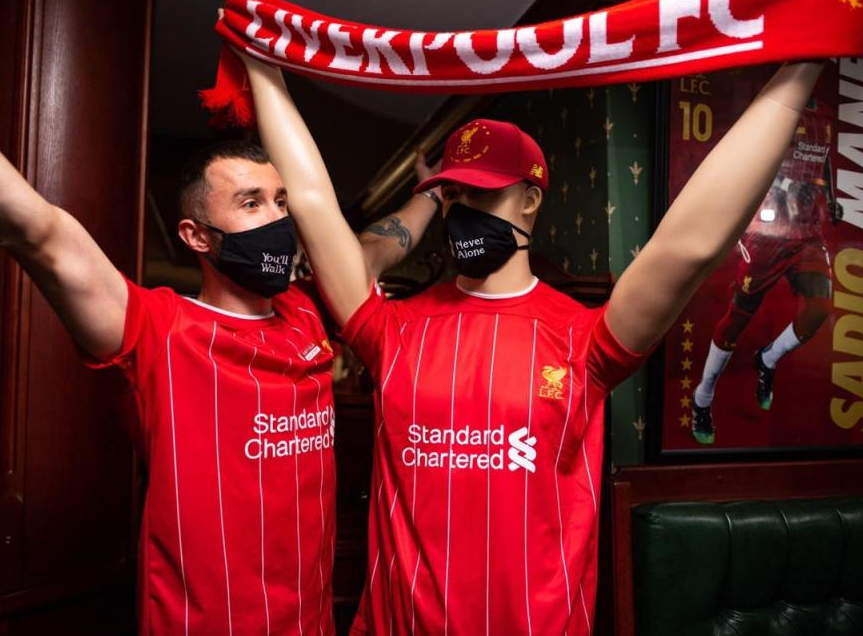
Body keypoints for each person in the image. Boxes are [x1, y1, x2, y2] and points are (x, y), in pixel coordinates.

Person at [241, 50, 823, 636]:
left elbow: (690, 245)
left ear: (531, 198)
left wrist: (801, 68)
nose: (464, 210)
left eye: (482, 193)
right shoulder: (393, 329)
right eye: (454, 197)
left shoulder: (583, 337)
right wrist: (262, 68)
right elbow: (313, 202)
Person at [0, 56, 439, 635]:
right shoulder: (159, 329)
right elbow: (37, 232)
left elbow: (378, 247)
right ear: (195, 236)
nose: (277, 219)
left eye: (280, 202)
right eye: (250, 203)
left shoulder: (311, 310)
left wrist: (431, 197)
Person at [692, 88, 843, 444]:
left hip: (806, 231)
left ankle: (768, 359)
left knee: (820, 307)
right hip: (768, 235)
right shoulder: (771, 107)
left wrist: (831, 200)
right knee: (736, 322)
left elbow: (823, 159)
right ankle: (703, 398)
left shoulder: (823, 113)